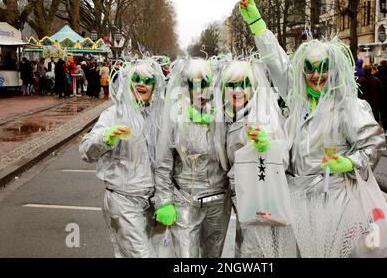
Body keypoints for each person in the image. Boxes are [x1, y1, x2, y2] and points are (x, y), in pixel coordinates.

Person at [239, 0, 387, 257]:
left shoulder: (347, 106)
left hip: (334, 199)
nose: (316, 76)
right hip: (297, 199)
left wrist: (350, 163)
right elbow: (277, 62)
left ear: (333, 70)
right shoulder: (298, 100)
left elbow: (374, 143)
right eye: (309, 69)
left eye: (322, 68)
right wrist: (257, 24)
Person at [79, 59, 165, 257]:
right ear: (127, 82)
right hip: (123, 200)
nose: (141, 84)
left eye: (147, 80)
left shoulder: (159, 117)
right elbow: (85, 152)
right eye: (136, 79)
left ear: (155, 86)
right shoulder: (113, 115)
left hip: (153, 204)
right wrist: (105, 137)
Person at [213, 57, 295, 258]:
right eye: (231, 85)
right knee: (246, 247)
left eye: (244, 84)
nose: (237, 90)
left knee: (257, 251)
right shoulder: (227, 116)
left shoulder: (263, 116)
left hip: (260, 197)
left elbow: (283, 159)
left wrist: (268, 146)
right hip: (240, 197)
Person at [154, 58, 231, 258]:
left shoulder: (224, 115)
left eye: (205, 84)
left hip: (218, 202)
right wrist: (164, 201)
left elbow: (235, 158)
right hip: (185, 201)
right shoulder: (174, 117)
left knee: (213, 256)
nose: (200, 91)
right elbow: (163, 163)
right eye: (194, 85)